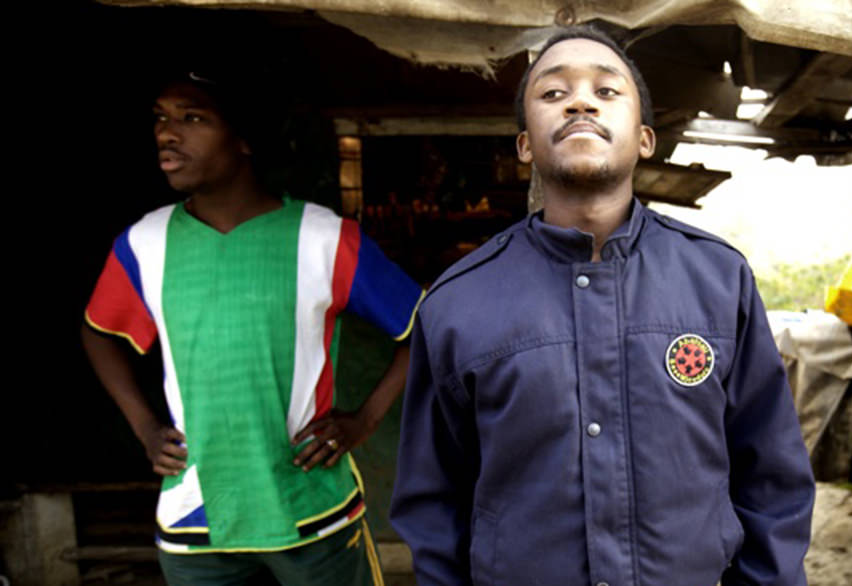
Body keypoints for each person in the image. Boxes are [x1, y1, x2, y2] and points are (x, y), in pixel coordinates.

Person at [390, 27, 815, 586]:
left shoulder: (718, 279)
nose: (581, 102)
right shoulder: (457, 303)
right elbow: (434, 505)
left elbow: (772, 477)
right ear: (525, 145)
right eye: (553, 93)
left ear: (644, 139)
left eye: (607, 91)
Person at [81, 71, 424, 585]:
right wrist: (145, 428)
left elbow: (424, 328)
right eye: (161, 118)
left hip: (311, 509)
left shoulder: (323, 238)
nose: (167, 133)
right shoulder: (144, 244)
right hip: (196, 518)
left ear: (244, 138)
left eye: (192, 118)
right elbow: (98, 332)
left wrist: (363, 421)